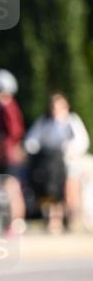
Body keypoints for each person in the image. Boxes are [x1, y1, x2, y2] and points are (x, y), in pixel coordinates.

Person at [24, 92, 91, 232]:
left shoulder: (72, 121)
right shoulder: (44, 122)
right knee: (47, 190)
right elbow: (31, 141)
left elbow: (82, 141)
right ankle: (51, 218)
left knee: (69, 187)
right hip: (48, 165)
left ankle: (71, 218)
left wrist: (67, 149)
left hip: (68, 163)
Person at [0, 68, 26, 234]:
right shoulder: (6, 105)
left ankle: (15, 223)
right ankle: (11, 223)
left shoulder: (7, 106)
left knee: (11, 189)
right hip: (4, 155)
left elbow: (13, 133)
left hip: (8, 156)